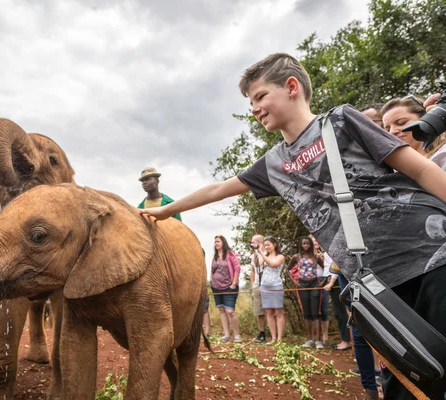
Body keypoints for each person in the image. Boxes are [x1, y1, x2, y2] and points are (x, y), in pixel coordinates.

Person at [140, 53, 446, 399]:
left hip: (429, 252)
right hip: (376, 283)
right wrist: (166, 212)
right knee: (411, 383)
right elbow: (217, 188)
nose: (254, 108)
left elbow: (418, 170)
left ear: (291, 87)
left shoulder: (342, 121)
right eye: (250, 102)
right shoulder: (274, 163)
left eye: (259, 97)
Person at [382, 96, 446, 169]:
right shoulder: (395, 169)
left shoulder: (442, 155)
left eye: (401, 123)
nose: (392, 132)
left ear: (426, 118)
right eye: (387, 130)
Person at [288, 236, 323, 349]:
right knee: (306, 313)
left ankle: (318, 340)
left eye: (308, 244)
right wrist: (295, 282)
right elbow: (288, 269)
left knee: (315, 313)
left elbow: (326, 269)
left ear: (311, 245)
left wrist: (321, 283)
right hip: (302, 285)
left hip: (314, 285)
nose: (306, 246)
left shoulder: (316, 257)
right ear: (301, 245)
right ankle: (309, 339)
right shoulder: (296, 257)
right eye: (304, 244)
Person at [210, 235, 242, 343]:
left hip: (229, 286)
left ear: (223, 242)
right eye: (215, 242)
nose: (216, 244)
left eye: (218, 241)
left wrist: (234, 283)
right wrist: (211, 281)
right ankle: (227, 335)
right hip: (216, 287)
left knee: (230, 311)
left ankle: (237, 335)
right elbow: (212, 270)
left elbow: (237, 268)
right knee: (222, 310)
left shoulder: (230, 254)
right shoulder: (215, 256)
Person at [256, 236, 285, 345]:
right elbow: (259, 263)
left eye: (268, 245)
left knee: (279, 312)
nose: (266, 247)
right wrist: (261, 252)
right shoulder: (264, 255)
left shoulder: (280, 256)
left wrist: (262, 253)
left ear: (274, 245)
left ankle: (279, 338)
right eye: (265, 245)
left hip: (276, 286)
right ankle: (273, 338)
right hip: (265, 285)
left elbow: (273, 264)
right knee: (269, 312)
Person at [250, 234, 267, 343]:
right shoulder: (253, 256)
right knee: (259, 311)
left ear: (259, 243)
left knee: (271, 311)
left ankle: (276, 335)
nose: (251, 244)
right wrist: (252, 284)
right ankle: (262, 333)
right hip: (257, 285)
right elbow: (253, 270)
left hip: (268, 285)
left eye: (253, 242)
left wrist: (260, 252)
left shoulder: (268, 253)